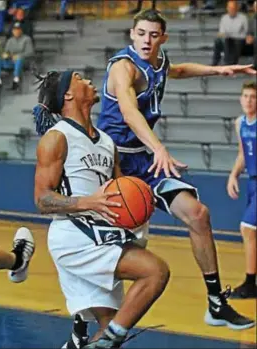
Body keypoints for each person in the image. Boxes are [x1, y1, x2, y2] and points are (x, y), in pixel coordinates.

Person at [97, 9, 256, 330]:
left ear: (163, 38)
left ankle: (215, 303)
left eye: (154, 35)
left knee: (198, 214)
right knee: (111, 243)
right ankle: (98, 316)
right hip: (112, 160)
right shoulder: (123, 68)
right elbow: (128, 111)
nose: (147, 40)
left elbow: (177, 70)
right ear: (132, 34)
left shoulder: (158, 61)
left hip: (144, 158)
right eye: (141, 33)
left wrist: (219, 70)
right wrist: (159, 147)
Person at [33, 69, 170, 349]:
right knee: (155, 271)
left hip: (100, 233)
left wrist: (142, 203)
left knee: (110, 323)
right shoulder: (56, 137)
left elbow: (121, 192)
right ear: (68, 94)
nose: (89, 80)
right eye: (79, 78)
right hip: (74, 236)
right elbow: (42, 199)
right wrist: (87, 202)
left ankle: (101, 342)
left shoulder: (107, 142)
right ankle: (105, 342)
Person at [227, 81, 257, 299]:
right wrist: (233, 175)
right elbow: (242, 154)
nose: (248, 100)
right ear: (240, 99)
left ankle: (250, 283)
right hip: (252, 182)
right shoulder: (240, 123)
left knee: (247, 228)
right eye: (245, 96)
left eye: (253, 97)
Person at [0, 21, 34, 90]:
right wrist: (5, 55)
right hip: (11, 62)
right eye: (14, 30)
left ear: (21, 30)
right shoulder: (10, 40)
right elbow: (7, 52)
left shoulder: (27, 39)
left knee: (19, 59)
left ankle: (16, 80)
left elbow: (30, 52)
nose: (16, 31)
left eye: (18, 30)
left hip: (24, 62)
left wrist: (18, 56)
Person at [212, 1, 248, 65]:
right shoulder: (224, 18)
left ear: (237, 8)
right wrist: (224, 35)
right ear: (227, 8)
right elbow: (222, 32)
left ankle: (230, 63)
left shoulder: (243, 18)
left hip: (238, 40)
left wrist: (230, 35)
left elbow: (246, 33)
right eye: (230, 8)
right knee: (218, 40)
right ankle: (215, 63)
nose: (231, 10)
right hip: (226, 39)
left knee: (231, 41)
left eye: (233, 8)